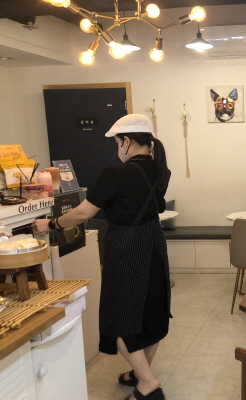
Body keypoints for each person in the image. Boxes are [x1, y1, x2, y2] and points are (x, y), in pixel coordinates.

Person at [33, 114, 171, 400]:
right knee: (152, 310)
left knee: (119, 316)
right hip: (154, 244)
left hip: (127, 248)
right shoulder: (160, 170)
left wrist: (52, 224)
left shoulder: (115, 173)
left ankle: (148, 383)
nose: (117, 148)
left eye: (117, 142)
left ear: (127, 141)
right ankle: (139, 373)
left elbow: (83, 213)